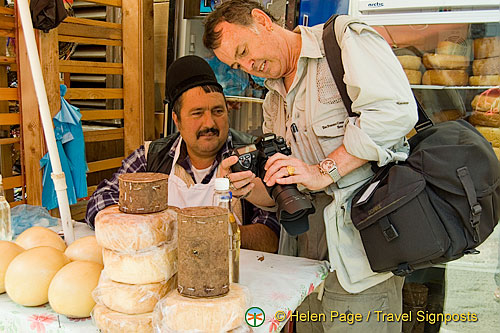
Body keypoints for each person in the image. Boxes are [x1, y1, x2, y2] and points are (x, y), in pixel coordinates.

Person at [203, 1, 418, 332]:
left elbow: (396, 114)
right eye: (238, 64)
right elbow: (282, 193)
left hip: (361, 265)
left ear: (261, 20)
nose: (249, 66)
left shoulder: (343, 41)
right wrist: (251, 189)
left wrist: (323, 170)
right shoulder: (273, 101)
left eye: (245, 50)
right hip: (302, 268)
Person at [85, 55, 279, 253]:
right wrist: (147, 227)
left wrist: (225, 234)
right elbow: (99, 201)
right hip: (163, 269)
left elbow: (271, 237)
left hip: (235, 275)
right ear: (176, 120)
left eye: (218, 111)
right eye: (197, 113)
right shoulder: (151, 157)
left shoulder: (250, 156)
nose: (210, 123)